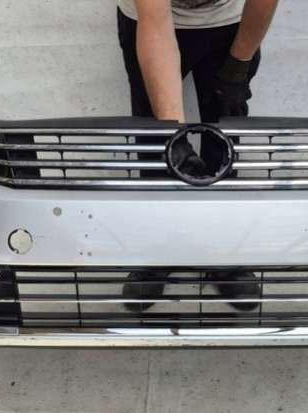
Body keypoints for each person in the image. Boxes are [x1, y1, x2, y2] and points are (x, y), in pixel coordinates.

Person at [117, 0, 279, 312]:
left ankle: (223, 251)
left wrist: (238, 67)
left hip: (229, 21)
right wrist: (172, 136)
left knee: (225, 137)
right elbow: (155, 20)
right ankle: (158, 252)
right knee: (156, 141)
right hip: (150, 21)